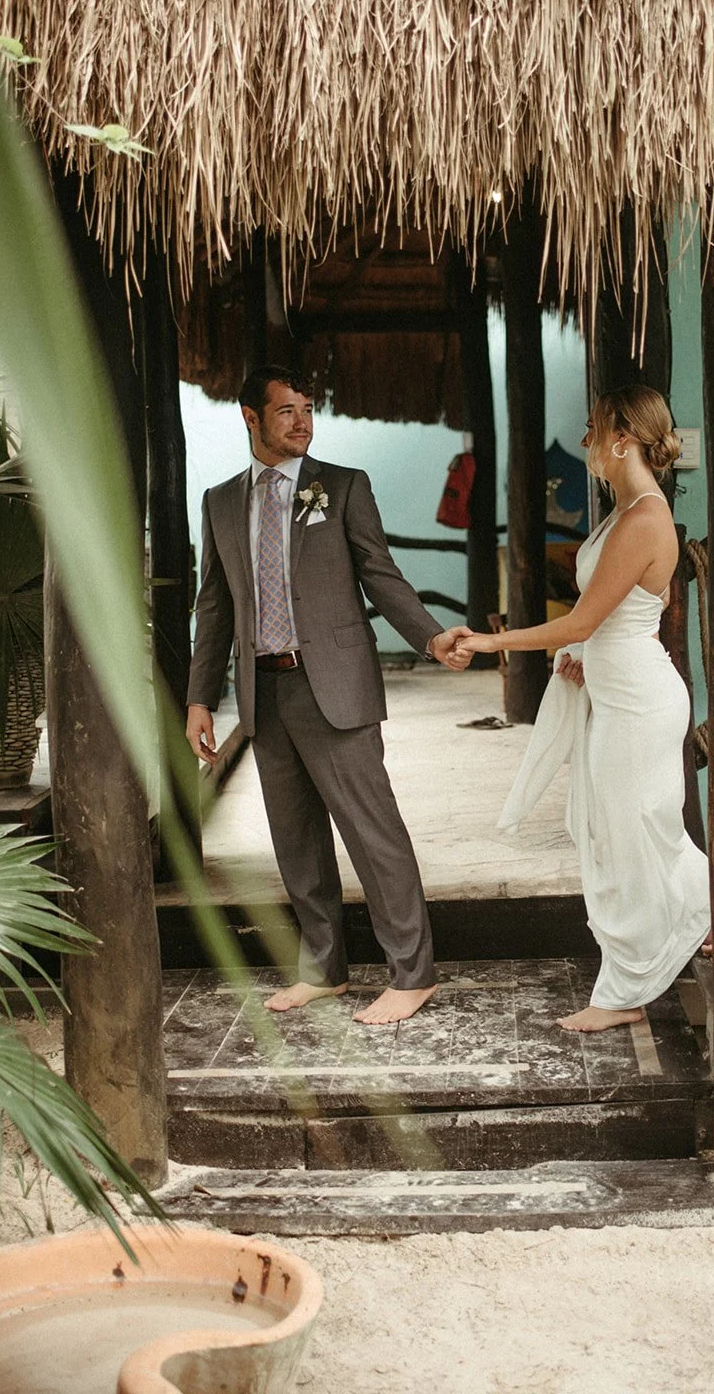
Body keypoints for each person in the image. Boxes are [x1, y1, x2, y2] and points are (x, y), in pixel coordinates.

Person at [186, 366, 472, 1025]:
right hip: (263, 692)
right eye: (285, 411)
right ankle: (322, 970)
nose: (302, 422)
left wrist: (431, 638)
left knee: (373, 834)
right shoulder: (220, 502)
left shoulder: (341, 486)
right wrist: (200, 698)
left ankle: (412, 974)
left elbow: (381, 574)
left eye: (307, 409)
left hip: (335, 688)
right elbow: (215, 605)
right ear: (250, 418)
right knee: (296, 842)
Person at [455, 385, 711, 1031]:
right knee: (617, 834)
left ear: (622, 439)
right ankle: (676, 936)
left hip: (640, 702)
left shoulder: (644, 517)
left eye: (592, 428)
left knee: (635, 835)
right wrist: (585, 655)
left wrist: (491, 641)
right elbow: (623, 613)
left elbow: (581, 620)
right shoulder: (623, 512)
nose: (584, 439)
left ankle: (635, 980)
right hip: (618, 692)